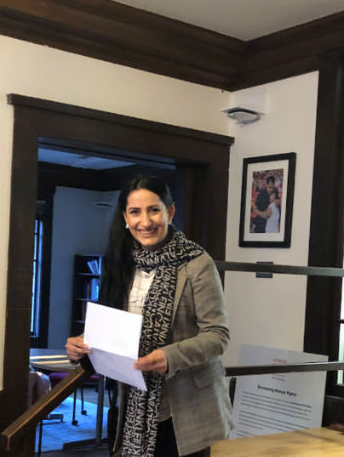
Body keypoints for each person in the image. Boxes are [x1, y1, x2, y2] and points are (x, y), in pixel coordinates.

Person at [66, 176, 232, 457]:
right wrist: (82, 344)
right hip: (129, 399)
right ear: (125, 218)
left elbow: (218, 335)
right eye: (135, 212)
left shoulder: (196, 262)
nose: (145, 221)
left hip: (185, 406)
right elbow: (110, 324)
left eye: (154, 210)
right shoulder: (120, 261)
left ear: (170, 212)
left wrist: (170, 356)